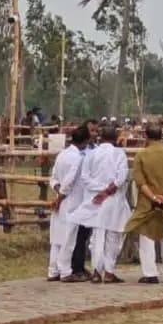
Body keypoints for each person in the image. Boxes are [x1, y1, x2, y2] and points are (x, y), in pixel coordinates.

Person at [70, 126, 132, 284]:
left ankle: (97, 272)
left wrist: (99, 190)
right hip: (113, 199)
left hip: (95, 199)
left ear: (101, 138)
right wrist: (107, 190)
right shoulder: (119, 154)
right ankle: (109, 272)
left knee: (97, 237)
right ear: (116, 138)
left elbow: (85, 178)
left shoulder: (91, 154)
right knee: (113, 236)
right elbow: (122, 176)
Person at [126, 125, 163, 284]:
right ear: (161, 136)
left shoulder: (141, 155)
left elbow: (140, 182)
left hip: (147, 203)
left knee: (147, 237)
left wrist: (153, 197)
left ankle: (150, 273)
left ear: (146, 136)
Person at [48, 126, 89, 282]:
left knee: (56, 237)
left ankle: (53, 270)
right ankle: (65, 271)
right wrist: (60, 197)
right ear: (86, 140)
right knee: (68, 239)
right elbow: (68, 182)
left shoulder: (61, 155)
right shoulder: (78, 158)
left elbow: (54, 178)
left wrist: (58, 193)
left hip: (60, 199)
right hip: (71, 202)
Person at [70, 119, 100, 277]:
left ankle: (81, 265)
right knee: (76, 234)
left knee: (86, 234)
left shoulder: (98, 150)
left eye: (96, 131)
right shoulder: (77, 152)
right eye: (91, 131)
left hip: (91, 198)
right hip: (76, 196)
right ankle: (75, 267)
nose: (94, 134)